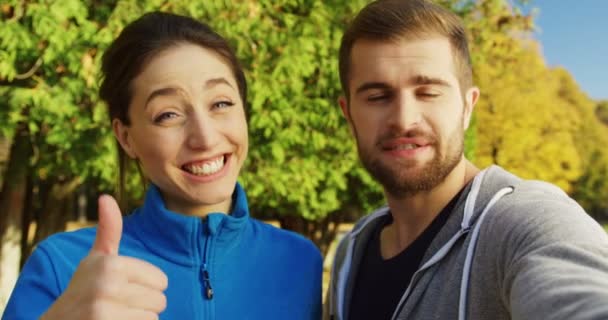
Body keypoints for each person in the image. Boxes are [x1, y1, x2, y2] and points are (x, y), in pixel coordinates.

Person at [3, 12, 322, 320]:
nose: (206, 138)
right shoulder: (64, 267)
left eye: (221, 103)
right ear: (126, 137)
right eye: (168, 114)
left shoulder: (298, 261)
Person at [324, 0, 608, 319]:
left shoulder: (522, 224)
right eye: (377, 97)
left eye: (428, 93)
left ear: (467, 107)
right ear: (348, 115)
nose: (403, 120)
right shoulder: (352, 251)